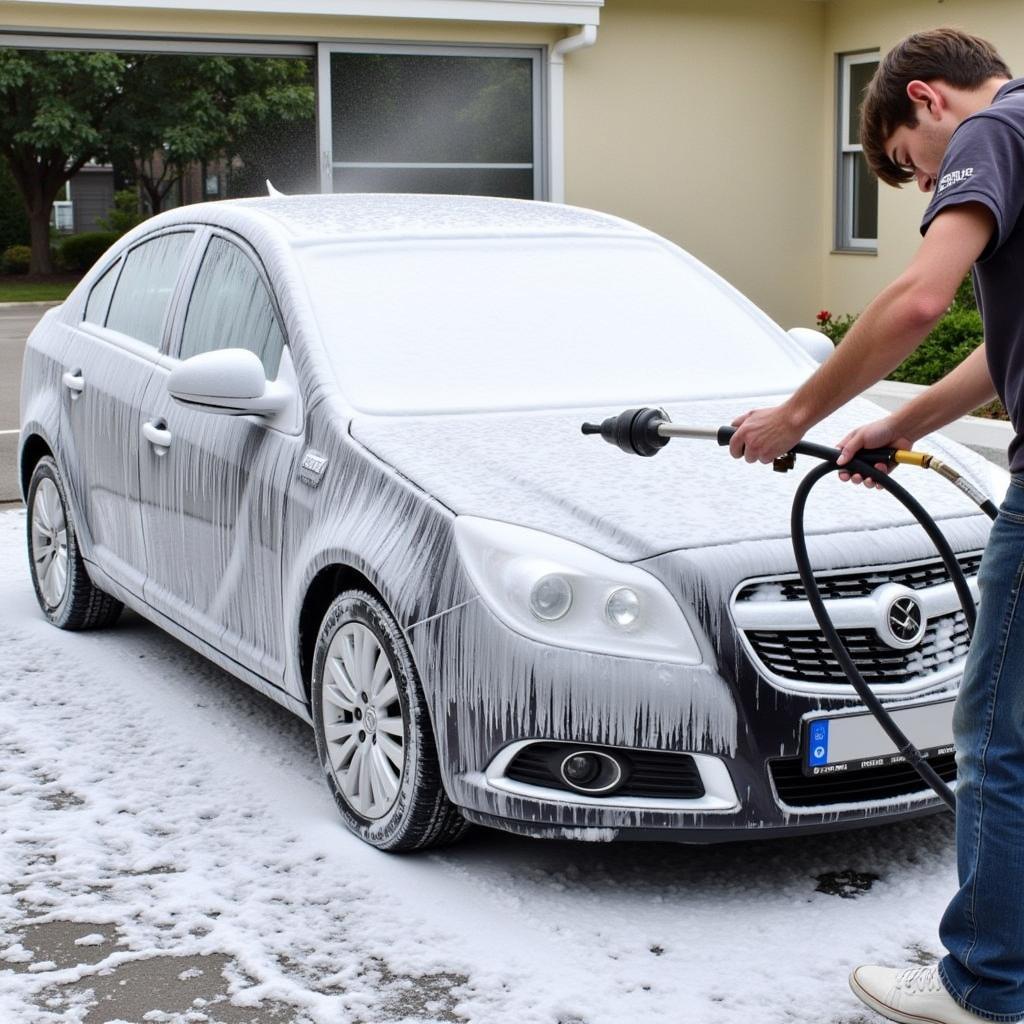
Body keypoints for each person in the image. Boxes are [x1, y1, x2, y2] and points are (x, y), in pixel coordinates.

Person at [727, 27, 1024, 1024]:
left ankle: (983, 986)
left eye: (909, 163)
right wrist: (892, 426)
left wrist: (795, 418)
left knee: (994, 733)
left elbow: (915, 300)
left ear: (929, 101)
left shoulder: (993, 132)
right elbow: (996, 353)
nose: (920, 188)